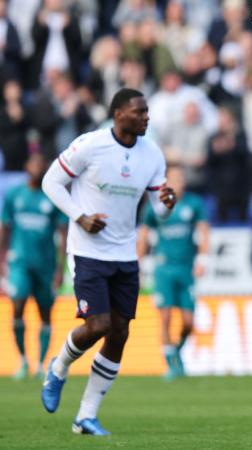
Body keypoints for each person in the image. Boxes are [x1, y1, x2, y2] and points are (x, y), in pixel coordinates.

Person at [39, 88, 176, 436]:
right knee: (97, 325)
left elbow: (158, 210)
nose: (146, 117)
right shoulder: (91, 145)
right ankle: (59, 366)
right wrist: (80, 216)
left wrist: (167, 202)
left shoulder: (152, 155)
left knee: (120, 333)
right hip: (88, 252)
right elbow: (51, 181)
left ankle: (86, 416)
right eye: (140, 112)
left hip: (125, 254)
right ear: (119, 114)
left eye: (147, 112)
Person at [137, 164, 209, 380]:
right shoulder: (155, 206)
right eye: (174, 178)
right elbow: (144, 236)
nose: (179, 182)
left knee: (188, 320)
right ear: (167, 182)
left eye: (181, 178)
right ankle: (171, 364)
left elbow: (204, 231)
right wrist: (138, 265)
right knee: (165, 316)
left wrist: (204, 258)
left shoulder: (194, 205)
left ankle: (176, 350)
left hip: (186, 267)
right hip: (163, 267)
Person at [0, 153, 68, 380]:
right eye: (34, 162)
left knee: (45, 314)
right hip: (19, 263)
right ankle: (22, 360)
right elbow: (5, 229)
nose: (37, 167)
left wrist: (60, 269)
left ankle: (39, 364)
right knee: (17, 305)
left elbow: (63, 233)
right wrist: (2, 259)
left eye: (41, 164)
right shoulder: (14, 195)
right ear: (26, 166)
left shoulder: (52, 197)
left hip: (46, 266)